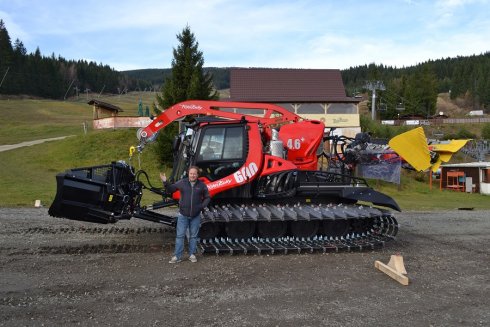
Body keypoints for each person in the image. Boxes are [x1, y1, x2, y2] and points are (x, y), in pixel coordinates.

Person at [160, 166, 210, 263]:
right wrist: (165, 182)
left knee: (193, 236)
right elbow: (171, 189)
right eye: (191, 173)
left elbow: (207, 197)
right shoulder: (182, 182)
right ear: (188, 174)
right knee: (180, 236)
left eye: (194, 174)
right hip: (183, 215)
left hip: (195, 215)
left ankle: (192, 254)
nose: (192, 175)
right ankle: (177, 257)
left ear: (197, 175)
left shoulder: (202, 185)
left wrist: (202, 206)